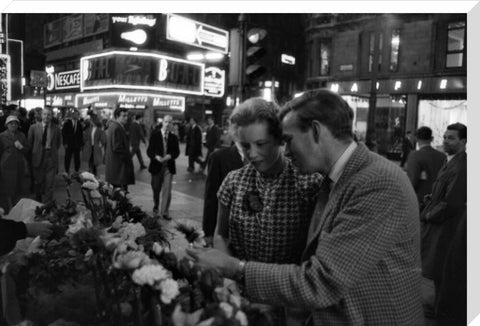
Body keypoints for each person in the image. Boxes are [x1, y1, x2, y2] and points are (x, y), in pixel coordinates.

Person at [187, 89, 424, 325]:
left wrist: (234, 268)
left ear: (316, 131)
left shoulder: (376, 181)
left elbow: (322, 281)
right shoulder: (337, 178)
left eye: (288, 140)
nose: (286, 151)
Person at [215, 98, 322, 324]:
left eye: (261, 144)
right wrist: (228, 279)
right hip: (242, 299)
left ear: (278, 140)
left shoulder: (308, 183)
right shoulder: (233, 183)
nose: (252, 153)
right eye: (245, 145)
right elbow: (221, 234)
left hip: (290, 303)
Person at [420, 123, 467, 320]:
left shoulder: (462, 165)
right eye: (445, 137)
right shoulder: (450, 162)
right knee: (438, 269)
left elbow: (452, 202)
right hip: (440, 224)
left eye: (451, 138)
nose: (446, 141)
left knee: (444, 268)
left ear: (463, 142)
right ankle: (439, 307)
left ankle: (443, 311)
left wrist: (428, 215)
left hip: (447, 227)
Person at [202, 139, 244, 247]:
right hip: (227, 233)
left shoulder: (263, 157)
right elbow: (211, 197)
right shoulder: (218, 157)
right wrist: (209, 233)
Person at [405, 126, 446, 209]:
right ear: (432, 138)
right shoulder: (442, 156)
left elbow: (412, 180)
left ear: (416, 138)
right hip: (438, 199)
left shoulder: (415, 156)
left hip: (420, 200)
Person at [148, 115, 180, 220]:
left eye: (170, 122)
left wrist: (169, 156)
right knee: (156, 188)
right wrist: (156, 156)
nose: (167, 124)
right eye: (166, 122)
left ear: (172, 124)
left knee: (167, 189)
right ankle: (156, 206)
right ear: (162, 123)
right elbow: (149, 151)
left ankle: (164, 212)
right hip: (156, 166)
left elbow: (177, 152)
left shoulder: (174, 137)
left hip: (168, 167)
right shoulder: (155, 135)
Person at [28, 107, 62, 203]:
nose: (46, 116)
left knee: (50, 183)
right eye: (45, 114)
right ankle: (38, 202)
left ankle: (48, 205)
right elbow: (29, 143)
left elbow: (58, 143)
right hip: (38, 157)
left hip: (51, 157)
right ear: (41, 115)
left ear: (52, 116)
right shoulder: (33, 127)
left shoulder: (57, 128)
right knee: (38, 182)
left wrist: (51, 151)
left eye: (49, 114)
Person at [0, 116, 30, 212]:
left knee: (18, 188)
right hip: (6, 166)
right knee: (7, 188)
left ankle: (16, 208)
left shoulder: (21, 136)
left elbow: (27, 150)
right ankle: (8, 209)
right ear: (6, 125)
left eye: (15, 123)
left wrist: (21, 147)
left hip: (19, 165)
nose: (13, 125)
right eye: (11, 123)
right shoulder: (2, 136)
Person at [105, 107, 134, 191]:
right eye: (123, 116)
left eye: (127, 116)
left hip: (116, 168)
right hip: (119, 168)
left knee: (117, 193)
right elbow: (117, 147)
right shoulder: (117, 128)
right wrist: (127, 157)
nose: (126, 118)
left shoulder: (115, 126)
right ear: (117, 116)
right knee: (120, 194)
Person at [62, 109, 84, 174]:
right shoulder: (67, 123)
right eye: (76, 114)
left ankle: (76, 170)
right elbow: (64, 133)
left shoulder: (80, 124)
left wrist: (81, 144)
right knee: (67, 157)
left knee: (77, 158)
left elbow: (81, 135)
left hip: (77, 144)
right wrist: (65, 143)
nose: (78, 116)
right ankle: (67, 170)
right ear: (73, 115)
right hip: (69, 144)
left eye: (78, 114)